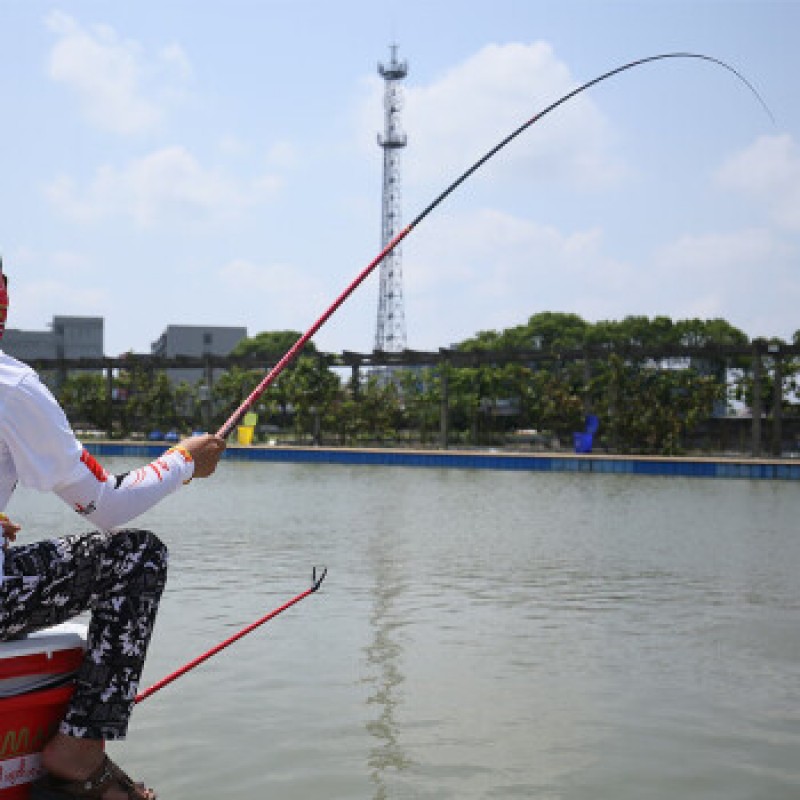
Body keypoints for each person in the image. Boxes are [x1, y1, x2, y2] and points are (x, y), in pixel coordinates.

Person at [0, 263, 226, 800]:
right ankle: (79, 745)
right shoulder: (12, 386)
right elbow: (105, 505)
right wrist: (183, 462)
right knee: (135, 557)